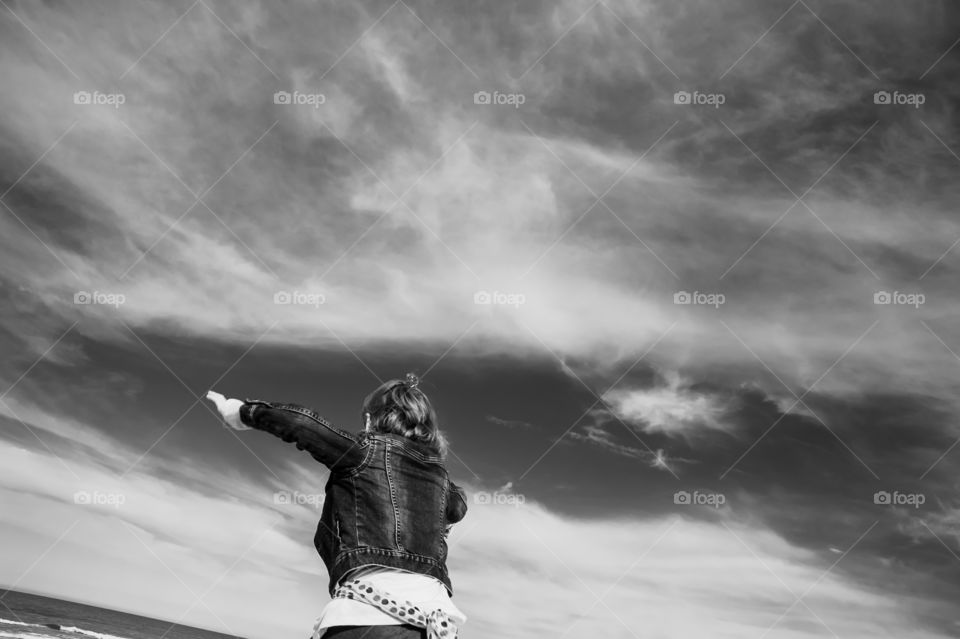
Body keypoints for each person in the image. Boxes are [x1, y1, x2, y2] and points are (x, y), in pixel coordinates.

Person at [206, 373, 468, 639]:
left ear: (370, 419)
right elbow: (458, 507)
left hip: (369, 617)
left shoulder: (366, 451)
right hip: (435, 626)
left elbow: (301, 424)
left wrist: (240, 413)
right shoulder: (442, 479)